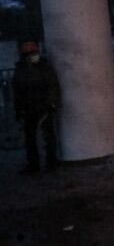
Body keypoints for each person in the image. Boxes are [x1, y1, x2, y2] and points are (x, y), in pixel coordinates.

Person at [12, 41, 61, 174]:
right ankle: (34, 164)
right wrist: (18, 109)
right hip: (29, 109)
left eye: (34, 52)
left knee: (48, 137)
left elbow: (52, 86)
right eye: (30, 53)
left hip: (43, 107)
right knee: (31, 139)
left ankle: (50, 162)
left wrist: (51, 104)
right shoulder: (21, 70)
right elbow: (17, 91)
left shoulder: (44, 68)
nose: (34, 55)